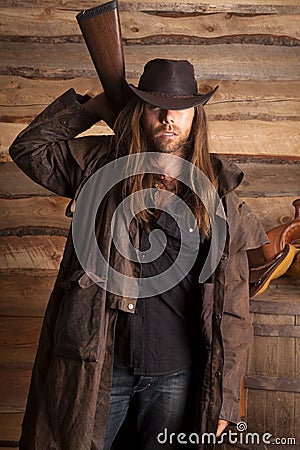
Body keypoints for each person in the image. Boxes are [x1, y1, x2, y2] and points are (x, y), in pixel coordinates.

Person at [9, 58, 268, 450]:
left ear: (196, 117)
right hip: (99, 368)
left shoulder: (220, 194)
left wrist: (226, 398)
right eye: (154, 106)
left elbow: (233, 306)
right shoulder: (98, 165)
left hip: (177, 374)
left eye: (181, 109)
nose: (168, 118)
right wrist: (92, 107)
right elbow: (29, 149)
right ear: (138, 112)